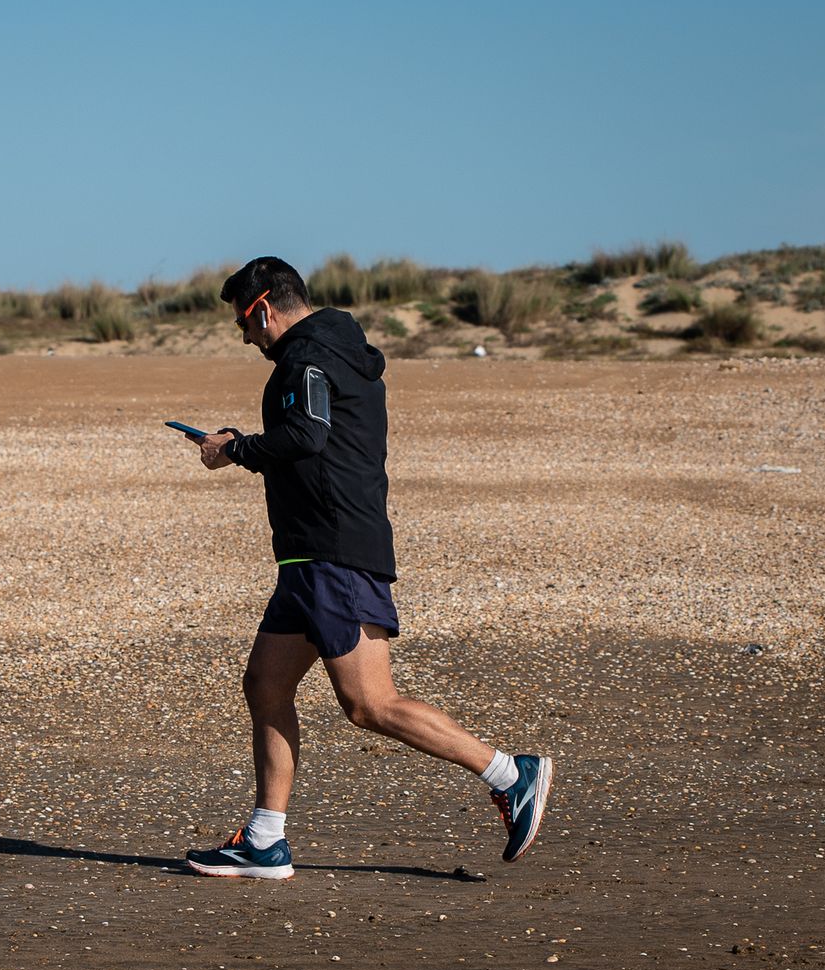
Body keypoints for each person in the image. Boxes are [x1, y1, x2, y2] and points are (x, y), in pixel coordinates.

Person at [182, 256, 552, 880]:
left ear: (264, 308)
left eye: (244, 324)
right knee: (265, 684)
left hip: (334, 555)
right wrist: (247, 443)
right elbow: (311, 436)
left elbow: (308, 434)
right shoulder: (327, 352)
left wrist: (236, 449)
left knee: (368, 704)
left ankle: (511, 774)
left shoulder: (306, 356)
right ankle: (265, 840)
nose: (247, 339)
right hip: (307, 557)